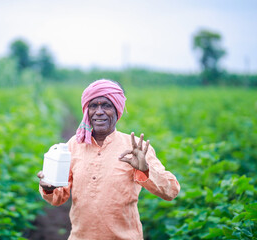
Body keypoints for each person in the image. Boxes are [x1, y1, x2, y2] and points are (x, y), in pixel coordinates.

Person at [37, 79, 180, 240]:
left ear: (117, 110)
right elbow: (58, 197)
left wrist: (145, 169)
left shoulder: (135, 149)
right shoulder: (74, 146)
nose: (99, 111)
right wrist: (49, 187)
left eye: (106, 105)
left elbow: (171, 191)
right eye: (93, 106)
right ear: (86, 111)